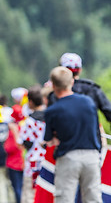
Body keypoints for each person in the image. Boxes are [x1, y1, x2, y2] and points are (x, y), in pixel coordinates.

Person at [44, 66, 102, 203]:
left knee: (65, 198)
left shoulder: (53, 110)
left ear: (53, 85)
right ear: (72, 82)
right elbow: (95, 128)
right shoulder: (88, 102)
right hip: (92, 156)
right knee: (93, 197)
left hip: (68, 156)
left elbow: (49, 140)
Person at [48, 52, 111, 124]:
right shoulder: (93, 89)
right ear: (80, 70)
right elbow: (108, 111)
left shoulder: (55, 92)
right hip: (91, 134)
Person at [17, 85, 46, 203]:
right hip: (47, 159)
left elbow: (24, 142)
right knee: (44, 190)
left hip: (33, 160)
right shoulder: (49, 117)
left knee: (30, 192)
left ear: (31, 101)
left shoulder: (29, 121)